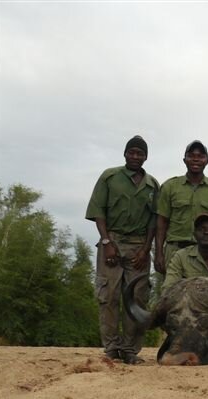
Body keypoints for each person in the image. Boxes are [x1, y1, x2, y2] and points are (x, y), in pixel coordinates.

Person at [85, 135, 158, 364]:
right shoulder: (110, 177)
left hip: (139, 248)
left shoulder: (153, 185)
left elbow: (154, 221)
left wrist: (146, 250)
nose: (135, 157)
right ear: (125, 154)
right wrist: (106, 243)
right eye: (132, 152)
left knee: (136, 298)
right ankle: (111, 348)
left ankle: (130, 350)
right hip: (113, 243)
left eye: (140, 153)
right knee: (109, 296)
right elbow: (98, 212)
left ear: (146, 157)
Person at [155, 140, 208, 274]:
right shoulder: (170, 186)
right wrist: (159, 253)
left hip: (205, 252)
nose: (196, 159)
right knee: (172, 292)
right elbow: (161, 222)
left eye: (200, 156)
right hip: (175, 250)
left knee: (206, 292)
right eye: (191, 156)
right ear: (184, 160)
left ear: (207, 161)